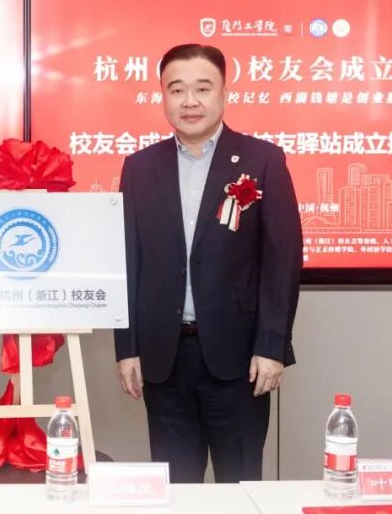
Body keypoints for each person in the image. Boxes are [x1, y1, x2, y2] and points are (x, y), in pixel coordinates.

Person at [114, 43, 302, 483]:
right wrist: (127, 348)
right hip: (164, 358)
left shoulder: (262, 160)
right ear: (163, 96)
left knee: (240, 484)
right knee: (175, 487)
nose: (189, 101)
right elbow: (127, 261)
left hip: (240, 360)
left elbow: (282, 261)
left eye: (202, 88)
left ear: (224, 94)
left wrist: (271, 347)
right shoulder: (140, 167)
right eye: (176, 89)